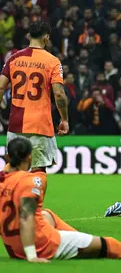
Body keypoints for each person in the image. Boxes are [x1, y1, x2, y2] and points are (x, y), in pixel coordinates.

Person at [0, 138, 121, 263]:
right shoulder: (30, 179)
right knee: (107, 245)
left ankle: (80, 241)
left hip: (14, 246)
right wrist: (32, 256)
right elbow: (26, 217)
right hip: (41, 244)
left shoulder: (3, 180)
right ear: (29, 156)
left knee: (46, 214)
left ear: (8, 156)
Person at [0, 20, 69, 183]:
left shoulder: (13, 59)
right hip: (40, 125)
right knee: (38, 169)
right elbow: (59, 94)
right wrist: (64, 119)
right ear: (46, 38)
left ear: (29, 35)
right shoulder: (52, 61)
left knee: (14, 167)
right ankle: (35, 208)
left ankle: (8, 204)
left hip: (16, 123)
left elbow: (1, 87)